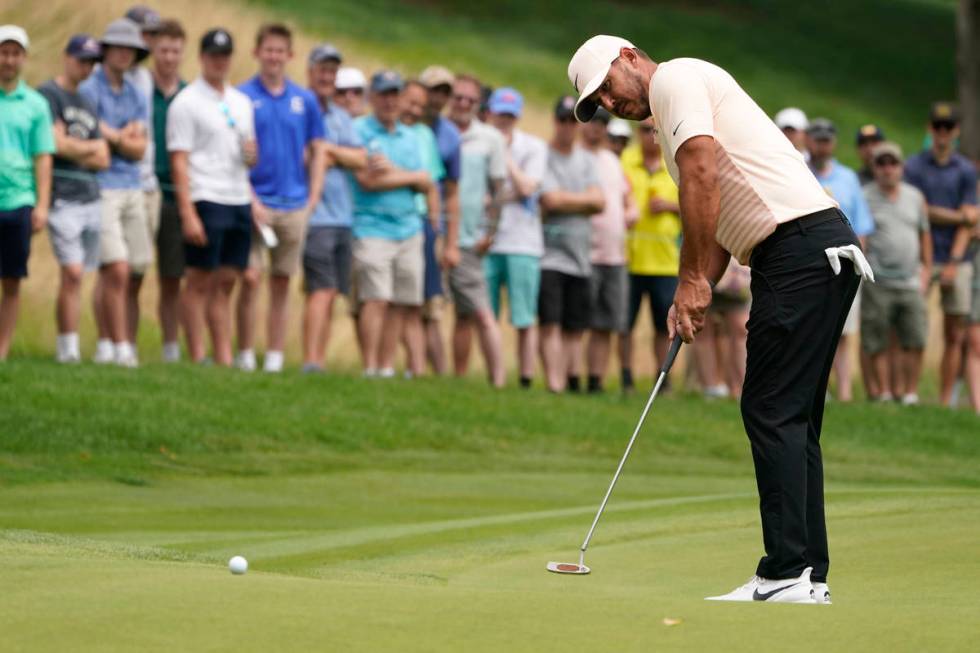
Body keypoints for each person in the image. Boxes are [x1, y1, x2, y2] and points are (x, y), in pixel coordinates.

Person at [569, 35, 865, 603]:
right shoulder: (670, 118)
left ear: (630, 56)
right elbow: (721, 215)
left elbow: (702, 177)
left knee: (771, 408)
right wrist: (697, 286)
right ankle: (806, 574)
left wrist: (689, 281)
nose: (608, 101)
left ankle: (785, 572)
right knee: (793, 416)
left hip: (799, 250)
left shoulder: (675, 79)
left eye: (606, 85)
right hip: (814, 249)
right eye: (597, 101)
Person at [237, 23, 326, 373]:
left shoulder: (304, 101)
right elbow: (236, 154)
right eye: (268, 49)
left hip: (294, 204)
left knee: (282, 282)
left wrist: (312, 196)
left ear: (290, 56)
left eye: (280, 50)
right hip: (256, 203)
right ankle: (244, 352)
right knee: (249, 278)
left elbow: (318, 149)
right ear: (256, 52)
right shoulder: (243, 97)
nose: (274, 56)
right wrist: (250, 199)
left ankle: (274, 356)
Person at [167, 28, 256, 365]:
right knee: (199, 280)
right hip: (206, 195)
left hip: (238, 197)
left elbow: (250, 156)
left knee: (228, 281)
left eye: (225, 55)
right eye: (213, 55)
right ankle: (198, 353)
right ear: (202, 58)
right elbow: (179, 160)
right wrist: (188, 212)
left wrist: (252, 155)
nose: (220, 62)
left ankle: (223, 357)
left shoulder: (242, 102)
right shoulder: (186, 102)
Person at [350, 70, 436, 377]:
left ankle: (386, 366)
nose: (389, 101)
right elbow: (368, 181)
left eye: (394, 94)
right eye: (384, 94)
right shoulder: (358, 130)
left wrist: (396, 174)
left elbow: (425, 182)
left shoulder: (411, 137)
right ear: (372, 97)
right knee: (376, 298)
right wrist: (410, 178)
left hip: (409, 229)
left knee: (402, 301)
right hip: (371, 227)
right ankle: (370, 366)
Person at [80, 18, 150, 367]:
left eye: (130, 49)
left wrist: (116, 138)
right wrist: (124, 137)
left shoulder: (136, 92)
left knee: (134, 267)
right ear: (105, 50)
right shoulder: (90, 88)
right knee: (116, 268)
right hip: (102, 186)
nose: (124, 53)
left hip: (132, 186)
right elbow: (93, 133)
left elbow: (139, 148)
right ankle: (120, 346)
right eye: (118, 47)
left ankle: (108, 341)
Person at [38, 35, 109, 363]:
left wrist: (77, 148)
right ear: (66, 57)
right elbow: (55, 145)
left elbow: (104, 158)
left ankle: (75, 346)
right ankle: (68, 348)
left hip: (91, 197)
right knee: (73, 272)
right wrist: (87, 149)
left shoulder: (86, 102)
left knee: (86, 273)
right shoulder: (47, 96)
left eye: (92, 62)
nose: (87, 67)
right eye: (82, 60)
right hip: (62, 196)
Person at [904, 102, 978, 407]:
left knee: (955, 334)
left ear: (956, 131)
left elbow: (970, 220)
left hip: (954, 259)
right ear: (930, 129)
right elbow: (918, 209)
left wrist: (954, 262)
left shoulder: (966, 170)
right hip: (920, 257)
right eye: (938, 127)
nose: (943, 133)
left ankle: (945, 400)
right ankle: (909, 393)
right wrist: (959, 216)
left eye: (948, 128)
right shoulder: (914, 166)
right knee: (911, 328)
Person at [301, 43, 367, 374]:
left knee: (331, 294)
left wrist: (328, 151)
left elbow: (360, 158)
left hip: (343, 217)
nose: (327, 76)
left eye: (332, 71)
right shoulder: (299, 106)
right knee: (321, 289)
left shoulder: (341, 116)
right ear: (310, 72)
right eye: (322, 70)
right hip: (315, 216)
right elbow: (298, 156)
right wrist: (327, 153)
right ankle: (311, 360)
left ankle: (319, 360)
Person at [538, 96, 604, 393]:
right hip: (549, 255)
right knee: (551, 322)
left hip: (580, 255)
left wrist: (565, 199)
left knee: (575, 326)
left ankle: (565, 379)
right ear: (555, 121)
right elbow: (549, 199)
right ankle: (553, 382)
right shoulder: (543, 156)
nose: (567, 126)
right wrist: (582, 202)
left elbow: (599, 201)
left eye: (572, 120)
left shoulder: (588, 160)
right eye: (562, 120)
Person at [807, 118, 875, 402]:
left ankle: (844, 391)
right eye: (817, 139)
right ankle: (815, 391)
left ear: (833, 143)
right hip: (808, 264)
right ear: (808, 141)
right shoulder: (797, 172)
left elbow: (862, 225)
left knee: (844, 333)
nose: (822, 145)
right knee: (809, 331)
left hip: (845, 264)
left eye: (827, 139)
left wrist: (859, 262)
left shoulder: (848, 178)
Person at [485, 87, 548, 388]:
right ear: (491, 113)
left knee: (524, 316)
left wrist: (504, 155)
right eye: (500, 114)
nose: (504, 121)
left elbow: (526, 188)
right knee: (487, 315)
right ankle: (493, 376)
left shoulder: (533, 147)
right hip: (488, 241)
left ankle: (525, 376)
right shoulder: (478, 144)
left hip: (523, 242)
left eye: (509, 116)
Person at [446, 74, 506, 387]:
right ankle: (452, 377)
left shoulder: (489, 138)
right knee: (441, 313)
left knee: (480, 313)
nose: (463, 104)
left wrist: (491, 232)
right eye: (458, 97)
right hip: (435, 234)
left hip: (470, 239)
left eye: (470, 99)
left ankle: (498, 380)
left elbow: (498, 191)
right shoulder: (436, 132)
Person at [861, 142, 931, 405]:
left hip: (911, 279)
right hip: (878, 278)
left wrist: (925, 271)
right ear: (874, 168)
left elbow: (925, 236)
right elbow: (861, 236)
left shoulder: (915, 196)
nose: (887, 169)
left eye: (893, 163)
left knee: (915, 337)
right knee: (876, 337)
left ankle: (909, 393)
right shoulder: (865, 196)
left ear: (901, 167)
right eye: (881, 163)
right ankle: (884, 393)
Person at [0, 25, 55, 361]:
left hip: (19, 200)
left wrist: (42, 204)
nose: (8, 60)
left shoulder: (35, 104)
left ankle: (2, 349)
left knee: (11, 280)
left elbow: (43, 157)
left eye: (14, 54)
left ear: (23, 59)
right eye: (3, 53)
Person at [619, 116, 680, 394]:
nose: (650, 136)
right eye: (645, 130)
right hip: (629, 259)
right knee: (624, 324)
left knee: (661, 326)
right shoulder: (625, 160)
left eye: (656, 130)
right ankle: (626, 377)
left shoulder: (675, 163)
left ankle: (661, 379)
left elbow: (695, 206)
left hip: (666, 262)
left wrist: (669, 206)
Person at [581, 107, 637, 393]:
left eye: (602, 124)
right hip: (584, 253)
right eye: (592, 123)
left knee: (606, 323)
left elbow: (629, 202)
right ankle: (571, 376)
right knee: (579, 322)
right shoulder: (578, 158)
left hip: (615, 255)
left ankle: (596, 380)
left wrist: (630, 214)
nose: (596, 129)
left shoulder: (612, 161)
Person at [398, 79, 445, 377]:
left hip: (420, 223)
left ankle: (418, 368)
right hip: (389, 220)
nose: (414, 109)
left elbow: (432, 183)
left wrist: (436, 227)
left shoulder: (425, 135)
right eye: (410, 102)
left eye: (420, 104)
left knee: (418, 302)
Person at [123, 6, 162, 350]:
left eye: (152, 34)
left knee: (137, 271)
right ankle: (112, 342)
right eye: (145, 33)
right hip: (119, 180)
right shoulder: (108, 74)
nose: (149, 41)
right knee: (116, 270)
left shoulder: (145, 78)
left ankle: (128, 344)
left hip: (147, 184)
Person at [419, 65, 463, 375]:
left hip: (435, 228)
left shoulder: (450, 135)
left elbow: (452, 193)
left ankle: (439, 375)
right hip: (402, 220)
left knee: (433, 307)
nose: (438, 98)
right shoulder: (406, 122)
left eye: (444, 93)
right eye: (434, 90)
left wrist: (451, 243)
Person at [149, 19, 187, 362]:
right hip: (144, 187)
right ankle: (119, 344)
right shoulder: (139, 89)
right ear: (153, 51)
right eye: (163, 50)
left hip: (176, 195)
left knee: (172, 276)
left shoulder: (189, 95)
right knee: (126, 272)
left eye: (175, 51)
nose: (169, 57)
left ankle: (171, 348)